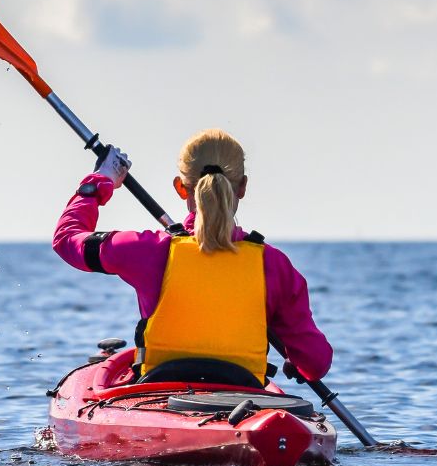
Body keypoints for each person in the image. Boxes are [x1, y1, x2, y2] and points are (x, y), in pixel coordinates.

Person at [52, 129, 331, 386]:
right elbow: (315, 362)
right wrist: (297, 363)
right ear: (243, 187)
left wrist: (100, 182)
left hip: (158, 392)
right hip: (243, 396)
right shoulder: (274, 265)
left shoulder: (148, 250)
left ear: (181, 187)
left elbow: (67, 240)